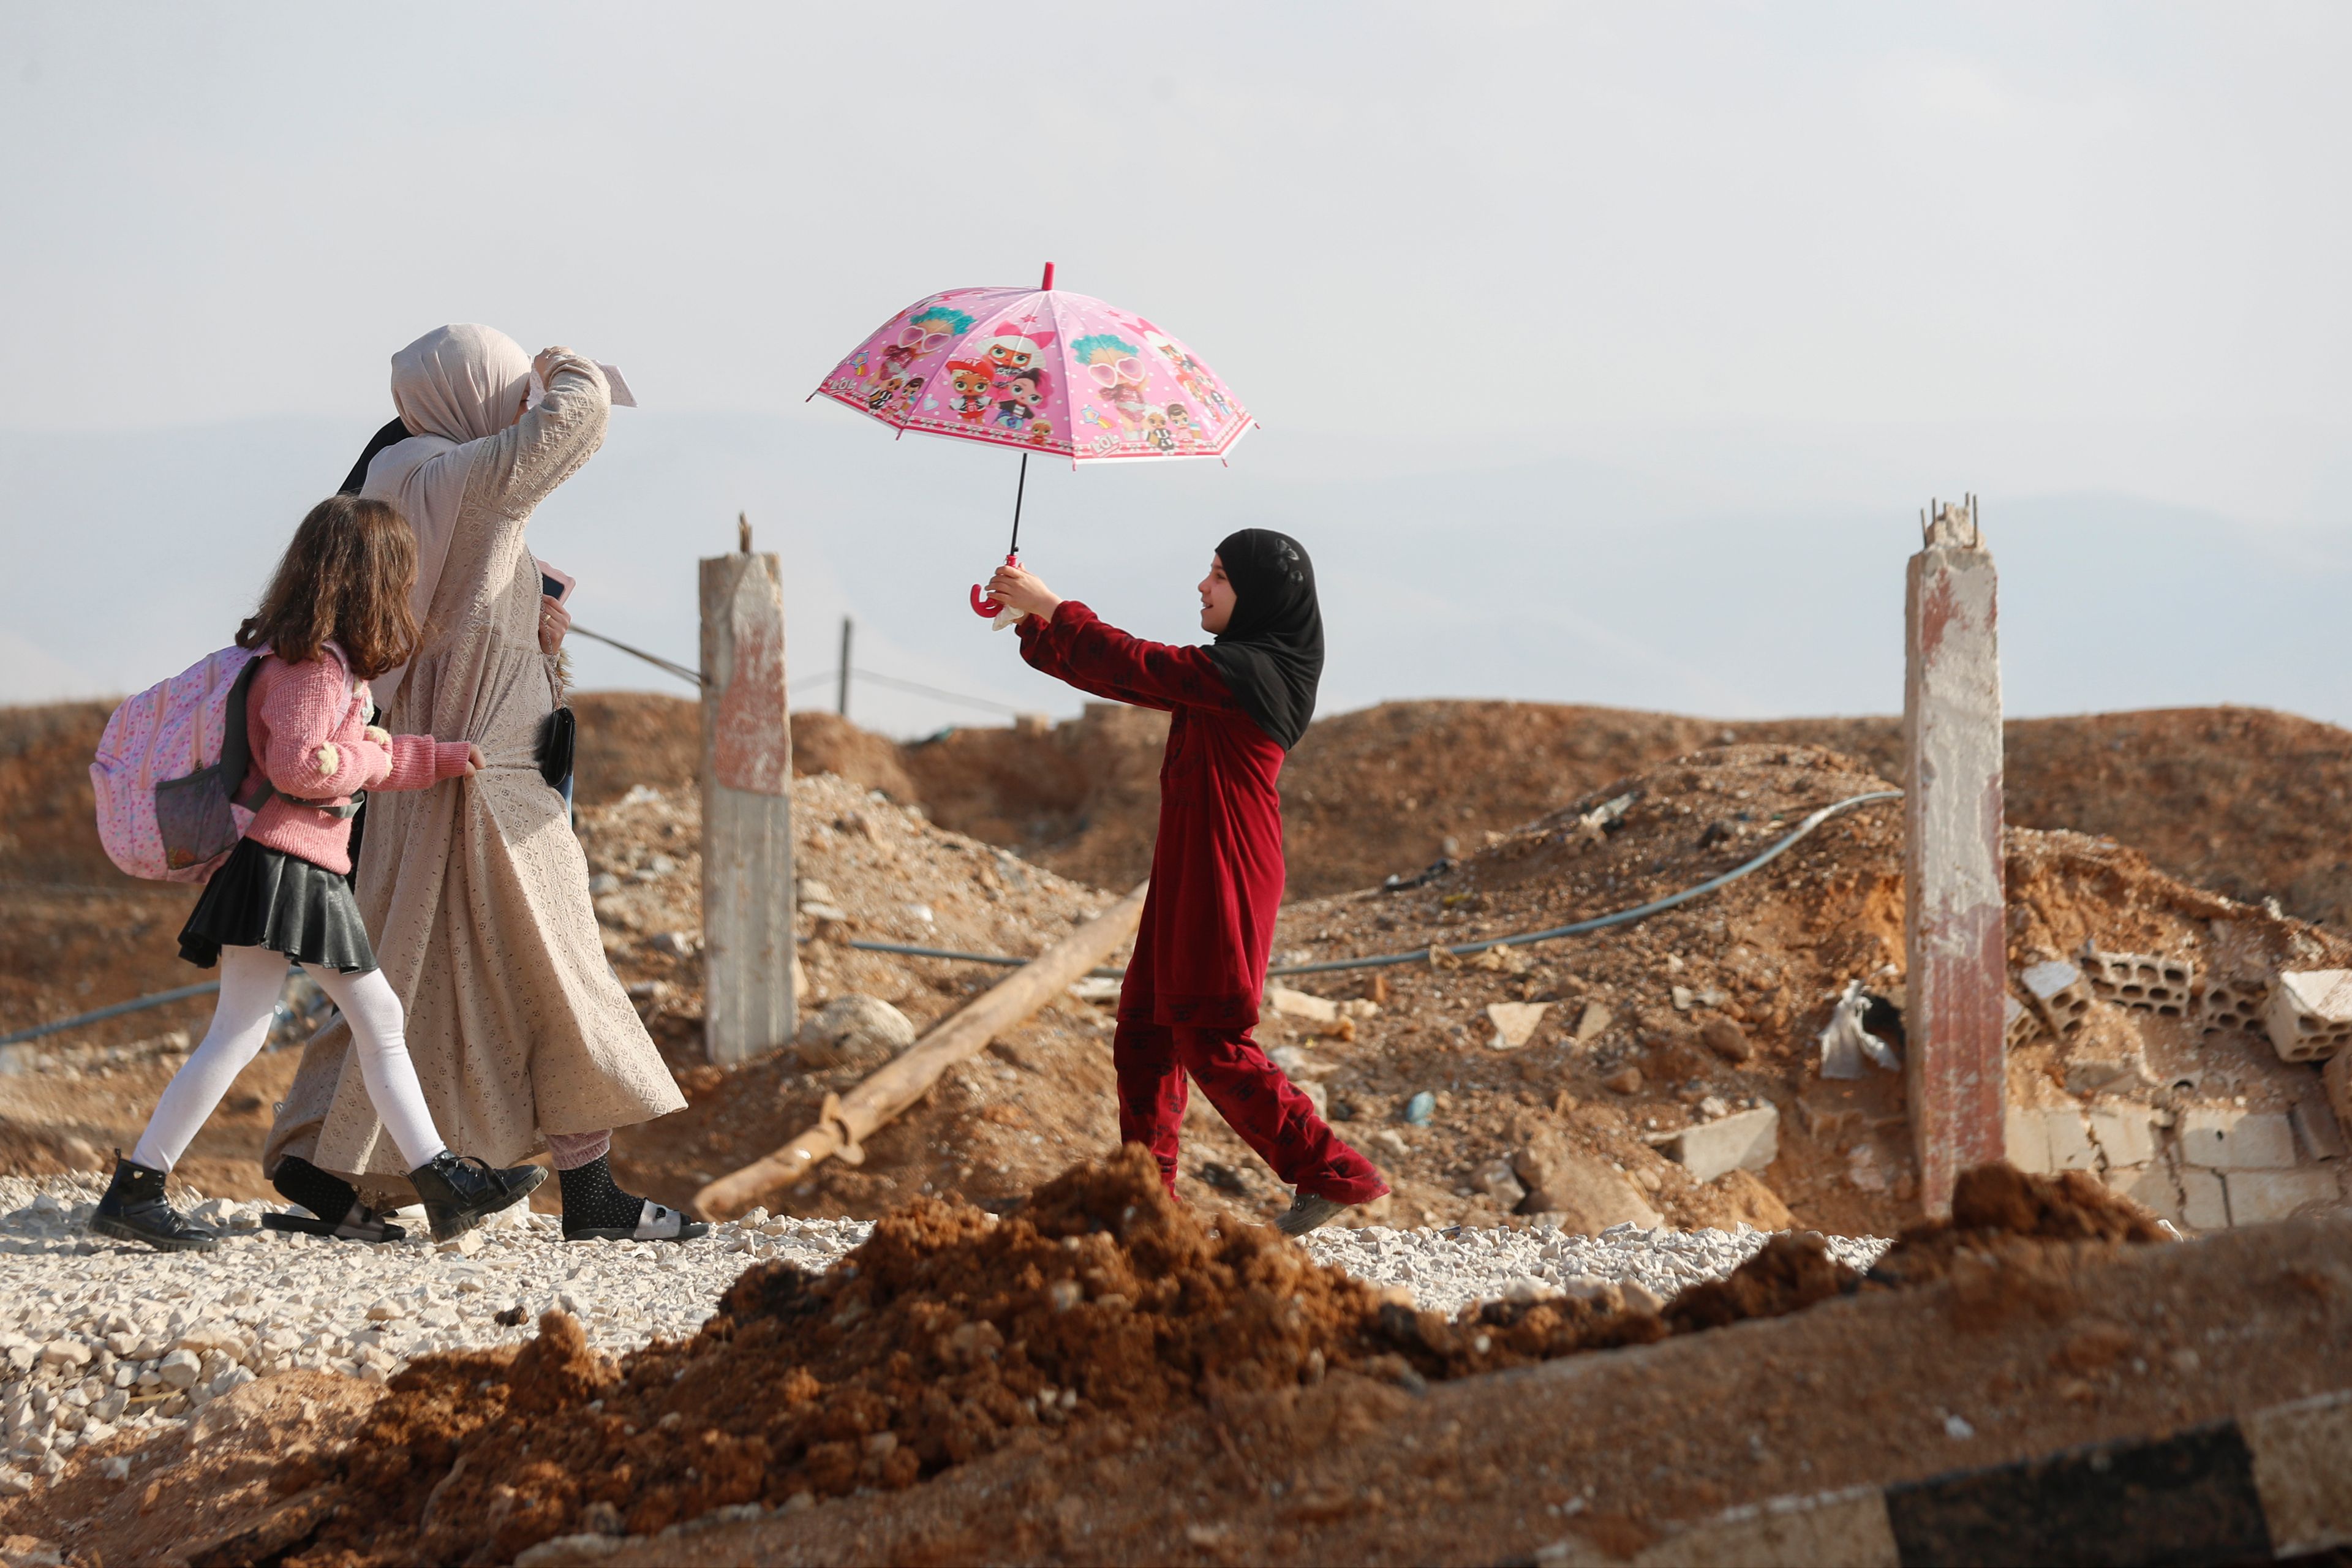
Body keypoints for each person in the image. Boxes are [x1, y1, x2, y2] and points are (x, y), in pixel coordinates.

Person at [263, 324, 701, 1246]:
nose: (517, 413)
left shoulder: (403, 472)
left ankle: (329, 1165)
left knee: (409, 969)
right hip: (487, 778)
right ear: (471, 395)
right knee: (555, 965)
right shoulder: (459, 476)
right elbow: (576, 428)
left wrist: (534, 628)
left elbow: (458, 608)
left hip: (427, 768)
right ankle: (592, 1198)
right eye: (505, 396)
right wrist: (563, 368)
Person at [91, 496, 546, 1253]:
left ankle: (138, 1187)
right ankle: (444, 1185)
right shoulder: (312, 670)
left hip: (279, 862)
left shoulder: (313, 662)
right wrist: (368, 755)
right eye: (399, 578)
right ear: (369, 581)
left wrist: (430, 757)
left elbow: (348, 758)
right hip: (290, 865)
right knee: (371, 1021)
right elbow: (307, 766)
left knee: (249, 1032)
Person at [985, 530, 1390, 1236]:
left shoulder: (1255, 674)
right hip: (1187, 862)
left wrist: (1054, 605)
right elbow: (1125, 679)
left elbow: (1141, 663)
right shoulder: (1232, 670)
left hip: (1226, 865)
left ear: (1258, 595)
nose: (1203, 588)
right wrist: (1035, 623)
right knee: (1144, 1031)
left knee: (1209, 1033)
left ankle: (1331, 1171)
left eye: (1220, 576)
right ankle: (1145, 1198)